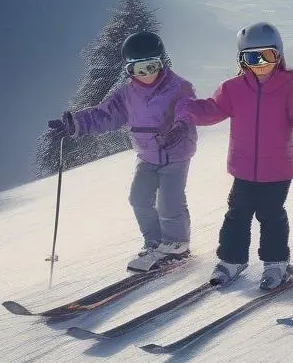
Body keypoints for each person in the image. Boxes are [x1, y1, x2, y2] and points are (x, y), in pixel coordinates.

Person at [47, 30, 198, 272]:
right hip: (147, 154)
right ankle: (155, 243)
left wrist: (181, 126)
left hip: (175, 153)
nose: (147, 75)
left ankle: (176, 245)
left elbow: (187, 108)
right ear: (129, 70)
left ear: (162, 63)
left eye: (152, 67)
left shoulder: (179, 87)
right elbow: (105, 115)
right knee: (138, 198)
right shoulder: (126, 94)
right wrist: (74, 123)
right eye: (139, 70)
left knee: (170, 201)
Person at [186, 22, 293, 291]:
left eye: (266, 56)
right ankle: (231, 261)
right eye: (251, 57)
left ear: (278, 56)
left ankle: (275, 263)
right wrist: (185, 111)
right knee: (237, 212)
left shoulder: (290, 88)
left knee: (270, 214)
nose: (260, 64)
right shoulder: (232, 88)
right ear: (241, 59)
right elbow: (213, 110)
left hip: (277, 169)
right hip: (243, 167)